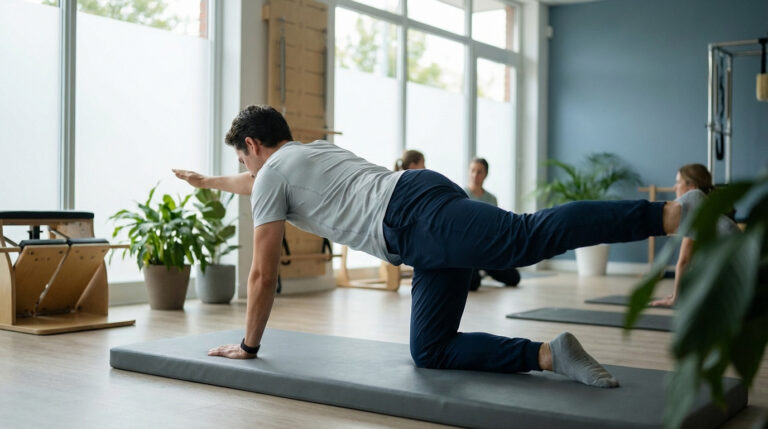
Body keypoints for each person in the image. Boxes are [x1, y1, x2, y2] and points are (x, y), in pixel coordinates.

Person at [174, 104, 683, 388]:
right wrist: (212, 181)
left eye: (241, 160)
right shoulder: (309, 151)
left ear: (254, 148)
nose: (244, 171)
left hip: (413, 219)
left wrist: (249, 346)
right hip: (418, 211)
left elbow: (262, 274)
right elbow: (254, 182)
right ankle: (552, 354)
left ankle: (667, 214)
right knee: (431, 349)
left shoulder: (268, 176)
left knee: (524, 238)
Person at [650, 164, 740, 307]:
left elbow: (684, 261)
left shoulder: (695, 208)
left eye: (678, 182)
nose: (675, 187)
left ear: (691, 187)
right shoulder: (710, 205)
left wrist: (676, 299)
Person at [464, 158, 521, 290]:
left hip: (487, 250)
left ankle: (484, 269)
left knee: (514, 278)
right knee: (473, 283)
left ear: (485, 175)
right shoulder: (462, 194)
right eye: (472, 171)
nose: (475, 175)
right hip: (468, 252)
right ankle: (478, 271)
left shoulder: (491, 199)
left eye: (479, 172)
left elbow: (494, 227)